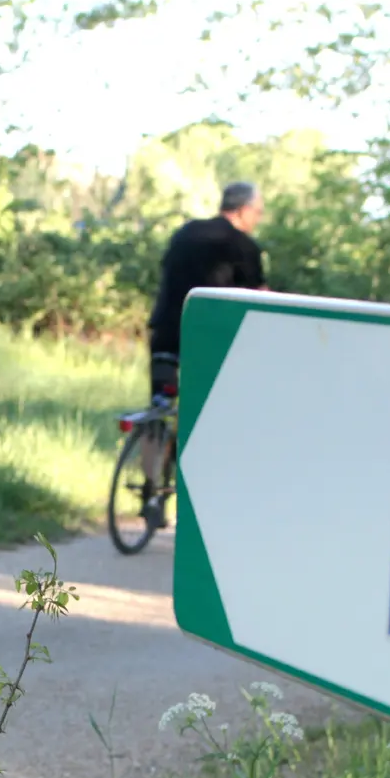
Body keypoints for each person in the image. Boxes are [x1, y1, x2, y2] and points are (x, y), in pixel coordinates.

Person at [140, 182, 268, 527]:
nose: (258, 218)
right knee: (204, 417)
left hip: (167, 331)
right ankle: (200, 497)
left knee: (158, 410)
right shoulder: (245, 247)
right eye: (257, 212)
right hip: (209, 341)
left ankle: (149, 494)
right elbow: (261, 299)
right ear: (243, 210)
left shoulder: (186, 233)